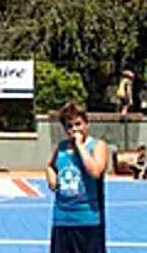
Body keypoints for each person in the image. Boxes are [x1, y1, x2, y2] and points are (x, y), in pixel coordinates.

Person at [46, 101, 108, 253]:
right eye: (69, 126)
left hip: (87, 220)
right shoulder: (61, 148)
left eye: (78, 124)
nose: (74, 129)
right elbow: (50, 166)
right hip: (62, 220)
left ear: (86, 123)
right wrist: (52, 179)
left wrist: (80, 146)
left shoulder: (97, 146)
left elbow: (95, 171)